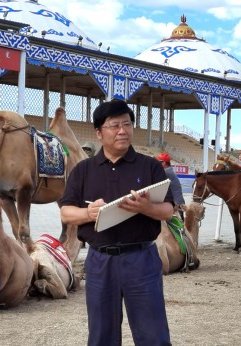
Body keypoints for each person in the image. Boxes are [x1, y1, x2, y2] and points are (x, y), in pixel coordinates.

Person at [59, 99, 174, 346]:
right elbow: (66, 213)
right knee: (102, 335)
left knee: (153, 334)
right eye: (115, 126)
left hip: (142, 259)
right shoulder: (83, 170)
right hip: (100, 261)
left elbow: (168, 211)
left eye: (127, 124)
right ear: (99, 133)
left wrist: (147, 207)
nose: (123, 131)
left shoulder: (150, 166)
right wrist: (89, 213)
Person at [156, 152, 186, 219]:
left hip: (176, 204)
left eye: (158, 163)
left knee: (177, 226)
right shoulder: (169, 171)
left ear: (163, 163)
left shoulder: (166, 172)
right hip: (178, 202)